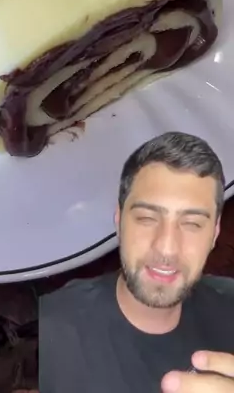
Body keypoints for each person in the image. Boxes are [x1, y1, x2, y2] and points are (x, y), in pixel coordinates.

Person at [39, 131, 234, 392]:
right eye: (146, 219)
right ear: (119, 221)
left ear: (215, 234)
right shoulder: (49, 333)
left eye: (192, 224)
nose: (166, 248)